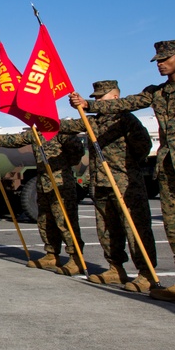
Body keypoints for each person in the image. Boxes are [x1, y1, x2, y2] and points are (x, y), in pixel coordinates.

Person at [71, 40, 175, 308]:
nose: (160, 64)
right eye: (157, 60)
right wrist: (87, 104)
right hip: (170, 171)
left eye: (165, 59)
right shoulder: (157, 93)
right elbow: (127, 103)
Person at [59, 80, 157, 290]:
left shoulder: (126, 119)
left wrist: (127, 165)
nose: (97, 101)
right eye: (95, 98)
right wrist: (41, 118)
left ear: (115, 97)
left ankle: (146, 272)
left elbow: (143, 145)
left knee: (135, 228)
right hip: (101, 183)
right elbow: (66, 126)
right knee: (107, 229)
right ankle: (115, 268)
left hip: (124, 182)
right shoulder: (93, 121)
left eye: (100, 97)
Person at [0, 130, 85, 275]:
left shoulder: (61, 130)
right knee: (45, 221)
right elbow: (15, 139)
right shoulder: (36, 133)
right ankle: (51, 255)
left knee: (65, 221)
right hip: (43, 184)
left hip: (61, 184)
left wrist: (64, 164)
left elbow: (77, 151)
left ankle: (76, 258)